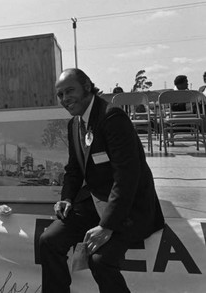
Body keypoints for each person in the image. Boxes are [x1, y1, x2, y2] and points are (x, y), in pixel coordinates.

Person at [38, 68, 164, 293]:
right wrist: (66, 198)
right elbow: (74, 169)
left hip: (129, 208)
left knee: (100, 260)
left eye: (69, 91)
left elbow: (126, 177)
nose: (65, 99)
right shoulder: (74, 124)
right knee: (49, 240)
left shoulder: (112, 116)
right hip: (95, 202)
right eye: (60, 95)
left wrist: (107, 226)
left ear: (87, 87)